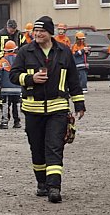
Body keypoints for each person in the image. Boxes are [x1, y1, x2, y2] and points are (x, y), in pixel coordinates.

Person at [10, 16, 86, 203]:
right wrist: (30, 79)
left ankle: (54, 187)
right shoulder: (25, 51)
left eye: (41, 31)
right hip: (32, 109)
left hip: (58, 108)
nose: (37, 34)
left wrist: (79, 104)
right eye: (35, 31)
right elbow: (13, 75)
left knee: (54, 146)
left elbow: (73, 79)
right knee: (37, 148)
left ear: (50, 33)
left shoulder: (64, 51)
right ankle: (42, 183)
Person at [0, 40, 21, 129]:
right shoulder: (19, 59)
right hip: (17, 88)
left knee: (5, 104)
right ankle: (17, 122)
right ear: (14, 49)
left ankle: (5, 122)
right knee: (17, 104)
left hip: (5, 88)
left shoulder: (2, 61)